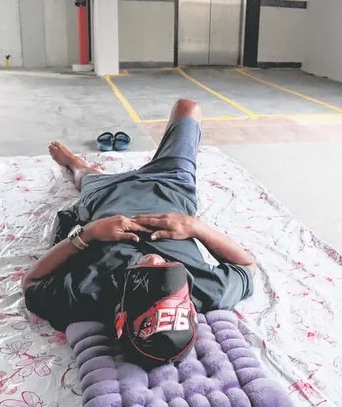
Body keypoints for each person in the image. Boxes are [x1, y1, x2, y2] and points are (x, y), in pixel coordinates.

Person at [22, 99, 256, 362]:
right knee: (187, 107)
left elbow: (31, 283)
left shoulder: (88, 295)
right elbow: (247, 265)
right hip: (170, 185)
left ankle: (77, 164)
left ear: (119, 313)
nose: (155, 261)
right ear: (190, 309)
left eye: (144, 277)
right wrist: (196, 227)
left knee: (85, 177)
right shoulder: (207, 291)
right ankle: (87, 171)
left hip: (105, 196)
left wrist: (90, 233)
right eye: (167, 273)